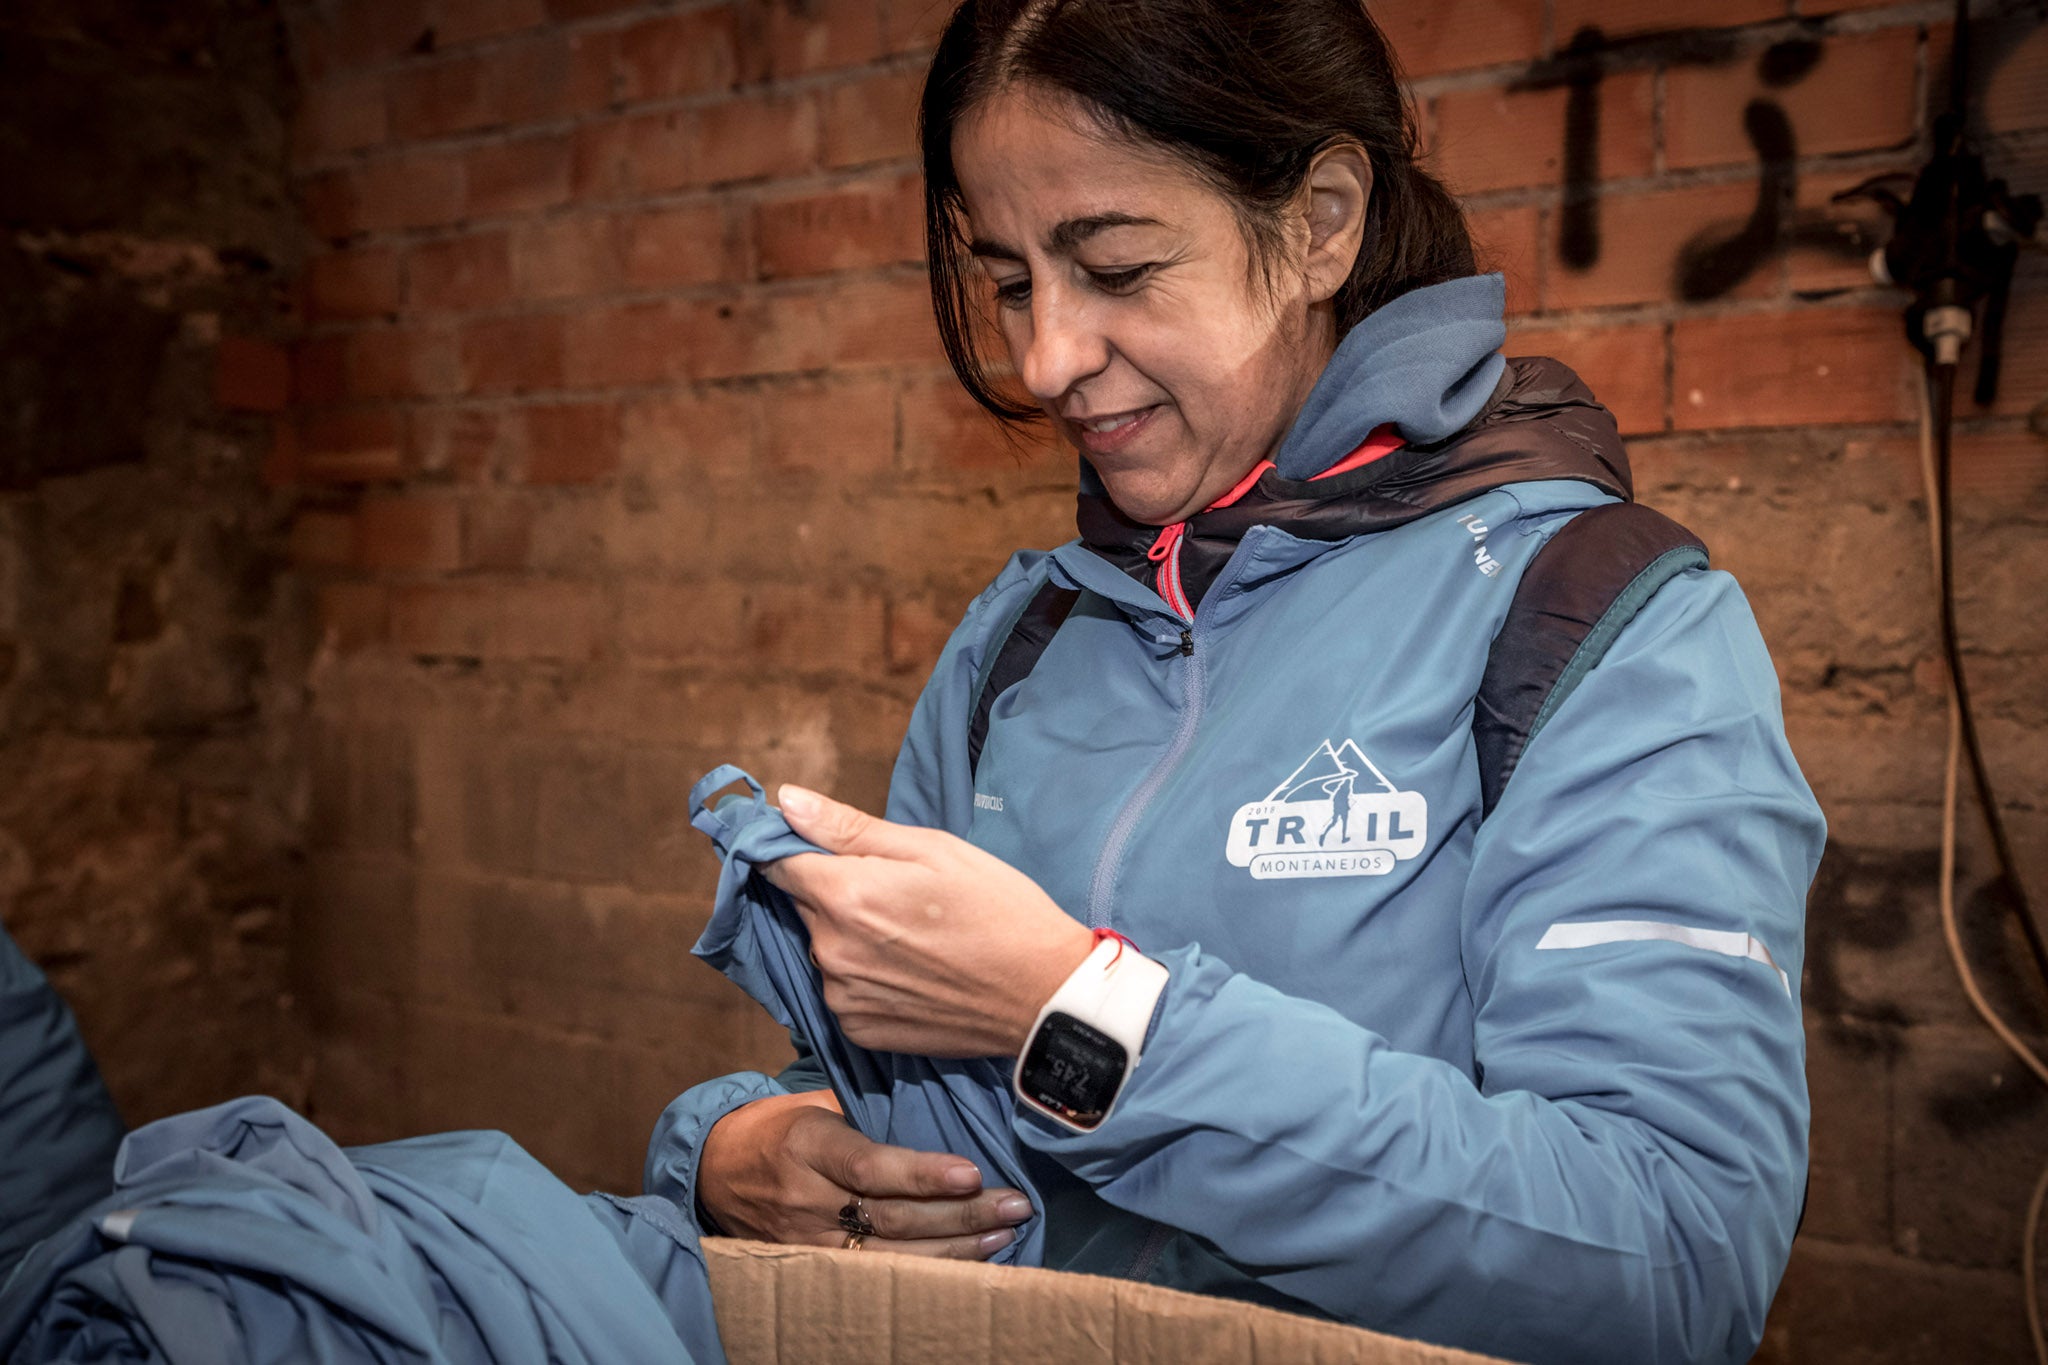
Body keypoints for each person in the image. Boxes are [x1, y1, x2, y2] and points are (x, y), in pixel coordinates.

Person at [663, 2, 1826, 1363]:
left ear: (1322, 221)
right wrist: (745, 1143)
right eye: (1014, 279)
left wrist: (1082, 1019)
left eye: (1115, 265)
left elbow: (1674, 1260)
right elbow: (912, 1076)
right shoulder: (1019, 644)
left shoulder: (1594, 624)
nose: (1046, 360)